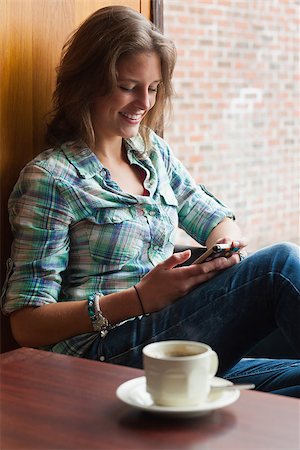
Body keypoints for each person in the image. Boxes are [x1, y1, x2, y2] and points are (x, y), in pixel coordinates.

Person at [1, 5, 299, 397]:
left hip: (167, 337)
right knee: (279, 266)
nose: (144, 102)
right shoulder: (52, 178)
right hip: (100, 354)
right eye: (129, 86)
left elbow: (214, 217)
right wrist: (139, 298)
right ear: (88, 82)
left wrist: (223, 250)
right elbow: (27, 324)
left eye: (153, 88)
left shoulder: (152, 153)